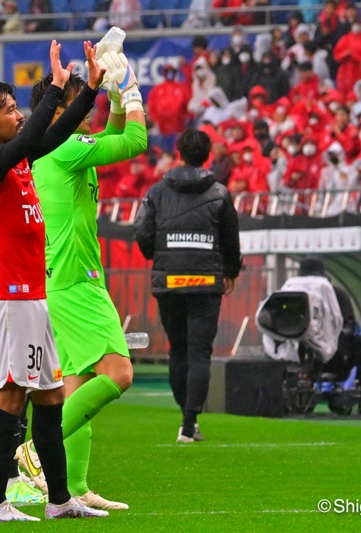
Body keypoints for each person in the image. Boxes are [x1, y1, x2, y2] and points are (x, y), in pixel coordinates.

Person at [0, 40, 107, 522]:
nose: (18, 116)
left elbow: (54, 135)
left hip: (33, 295)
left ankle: (61, 500)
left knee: (50, 396)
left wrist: (88, 93)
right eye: (9, 110)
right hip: (6, 297)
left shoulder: (16, 157)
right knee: (9, 395)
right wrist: (56, 89)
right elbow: (30, 139)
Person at [26, 51, 147, 509]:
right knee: (118, 372)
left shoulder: (57, 149)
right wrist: (131, 90)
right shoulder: (65, 147)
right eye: (81, 100)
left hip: (65, 280)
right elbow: (134, 141)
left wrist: (114, 98)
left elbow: (113, 134)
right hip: (75, 281)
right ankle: (33, 452)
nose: (88, 108)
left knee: (75, 384)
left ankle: (74, 490)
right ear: (59, 111)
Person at [134, 129, 242, 442]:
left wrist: (160, 255)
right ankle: (189, 422)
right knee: (199, 352)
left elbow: (142, 234)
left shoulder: (157, 191)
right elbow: (230, 239)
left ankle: (186, 417)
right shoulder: (220, 193)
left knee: (178, 350)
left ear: (179, 152)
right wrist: (230, 271)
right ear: (207, 155)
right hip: (206, 281)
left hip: (169, 279)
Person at [295, 256, 361, 415]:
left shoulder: (338, 296)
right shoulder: (293, 299)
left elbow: (349, 326)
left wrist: (332, 338)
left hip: (337, 353)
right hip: (303, 356)